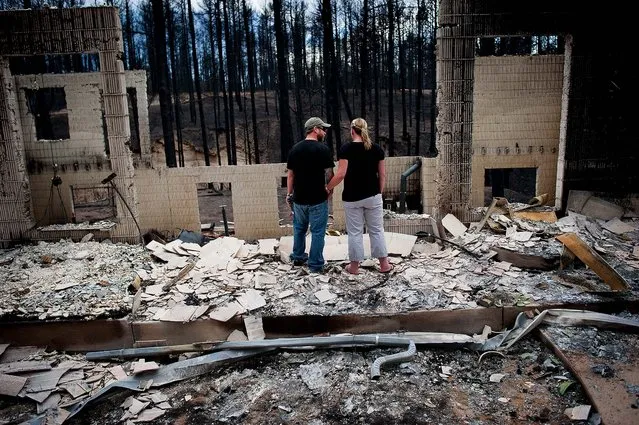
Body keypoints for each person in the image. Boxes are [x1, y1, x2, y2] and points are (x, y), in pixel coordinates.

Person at [325, 117, 392, 275]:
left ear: (352, 130)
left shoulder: (346, 149)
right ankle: (384, 265)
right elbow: (382, 175)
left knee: (355, 232)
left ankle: (354, 267)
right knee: (376, 230)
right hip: (373, 195)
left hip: (352, 197)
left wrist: (328, 187)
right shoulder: (376, 149)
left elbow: (341, 174)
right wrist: (379, 193)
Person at [286, 117, 335, 273]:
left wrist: (289, 194)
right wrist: (329, 190)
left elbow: (290, 175)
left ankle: (298, 257)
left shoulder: (295, 149)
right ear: (315, 129)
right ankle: (315, 265)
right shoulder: (323, 149)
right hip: (318, 199)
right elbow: (329, 173)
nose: (325, 132)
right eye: (323, 129)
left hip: (299, 199)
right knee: (318, 232)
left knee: (299, 229)